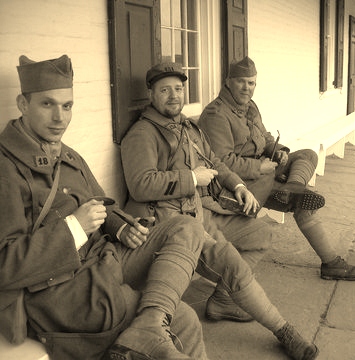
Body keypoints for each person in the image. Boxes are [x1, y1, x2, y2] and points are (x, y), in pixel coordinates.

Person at [0, 54, 211, 360]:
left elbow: (98, 202)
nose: (60, 117)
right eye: (47, 104)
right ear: (22, 105)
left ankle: (151, 321)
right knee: (184, 321)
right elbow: (4, 264)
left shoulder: (67, 154)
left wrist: (122, 226)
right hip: (62, 290)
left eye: (67, 105)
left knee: (187, 227)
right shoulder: (5, 168)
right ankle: (148, 330)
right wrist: (74, 228)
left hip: (103, 262)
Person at [121, 61, 319, 360]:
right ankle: (283, 330)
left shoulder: (188, 126)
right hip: (167, 227)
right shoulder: (143, 133)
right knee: (231, 264)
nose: (174, 96)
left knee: (259, 234)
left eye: (178, 89)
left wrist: (238, 185)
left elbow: (215, 160)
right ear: (151, 94)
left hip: (197, 213)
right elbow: (140, 185)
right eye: (165, 90)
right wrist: (190, 179)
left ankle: (232, 302)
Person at [198, 56, 355, 281]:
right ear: (228, 81)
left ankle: (292, 187)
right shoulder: (216, 114)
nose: (247, 88)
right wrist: (259, 167)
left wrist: (278, 149)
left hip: (265, 169)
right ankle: (332, 264)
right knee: (303, 205)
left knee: (307, 155)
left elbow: (265, 137)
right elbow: (221, 161)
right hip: (242, 184)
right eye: (241, 81)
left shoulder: (249, 106)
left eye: (251, 83)